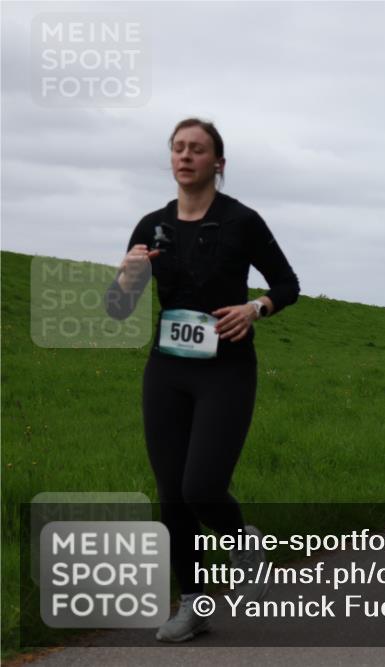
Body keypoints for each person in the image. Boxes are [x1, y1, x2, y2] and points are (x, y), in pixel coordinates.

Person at [106, 118, 299, 642]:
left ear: (218, 162)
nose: (185, 156)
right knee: (171, 494)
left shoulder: (242, 221)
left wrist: (255, 307)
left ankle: (243, 542)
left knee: (201, 487)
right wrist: (125, 277)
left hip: (226, 369)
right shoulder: (151, 226)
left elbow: (287, 283)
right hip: (167, 370)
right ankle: (193, 604)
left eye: (197, 149)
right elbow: (118, 308)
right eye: (178, 148)